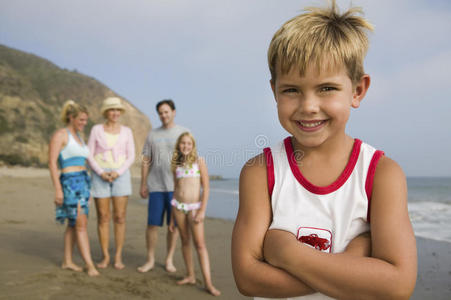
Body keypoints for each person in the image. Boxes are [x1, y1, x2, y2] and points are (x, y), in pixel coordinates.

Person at [231, 2, 417, 299]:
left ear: (357, 91)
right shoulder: (260, 172)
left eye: (327, 88)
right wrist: (352, 264)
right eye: (291, 90)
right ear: (274, 91)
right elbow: (248, 278)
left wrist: (287, 253)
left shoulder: (381, 174)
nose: (308, 106)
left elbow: (397, 285)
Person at [48, 100, 100, 277]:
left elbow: (85, 161)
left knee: (73, 224)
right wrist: (58, 189)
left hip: (84, 182)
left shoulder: (79, 137)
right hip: (70, 183)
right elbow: (52, 163)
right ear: (71, 117)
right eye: (81, 120)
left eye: (86, 120)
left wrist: (89, 189)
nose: (84, 123)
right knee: (81, 225)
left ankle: (67, 261)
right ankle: (90, 264)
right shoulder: (61, 135)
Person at [137, 99, 189, 273]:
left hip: (176, 189)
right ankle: (150, 259)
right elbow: (146, 160)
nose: (163, 115)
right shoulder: (153, 134)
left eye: (166, 111)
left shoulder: (184, 133)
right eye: (160, 112)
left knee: (172, 226)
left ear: (173, 112)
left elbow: (190, 159)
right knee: (152, 225)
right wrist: (143, 183)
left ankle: (169, 260)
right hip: (156, 186)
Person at [168, 132, 221, 296]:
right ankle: (190, 275)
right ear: (179, 145)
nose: (185, 146)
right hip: (178, 207)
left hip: (194, 208)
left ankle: (208, 283)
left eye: (188, 144)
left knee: (200, 245)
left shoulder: (199, 162)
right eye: (183, 143)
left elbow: (206, 187)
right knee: (184, 241)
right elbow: (176, 189)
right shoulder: (176, 165)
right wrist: (171, 217)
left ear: (193, 146)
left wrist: (202, 210)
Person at [87, 97, 135, 270]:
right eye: (111, 110)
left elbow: (131, 156)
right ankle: (105, 256)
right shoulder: (96, 130)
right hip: (100, 175)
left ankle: (118, 256)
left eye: (117, 110)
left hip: (121, 175)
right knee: (103, 217)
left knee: (120, 217)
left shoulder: (127, 131)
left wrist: (117, 172)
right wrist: (101, 172)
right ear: (106, 112)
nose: (115, 113)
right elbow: (89, 154)